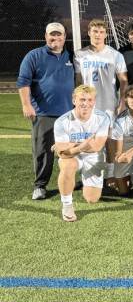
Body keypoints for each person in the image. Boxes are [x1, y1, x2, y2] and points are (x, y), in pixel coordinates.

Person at [17, 22, 75, 200]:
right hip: (44, 113)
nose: (55, 38)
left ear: (65, 37)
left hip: (69, 114)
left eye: (59, 35)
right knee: (43, 151)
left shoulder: (71, 55)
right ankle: (40, 186)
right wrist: (27, 105)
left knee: (72, 149)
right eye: (52, 35)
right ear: (45, 36)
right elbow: (23, 82)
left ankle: (73, 180)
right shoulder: (34, 56)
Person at [73, 19, 128, 182]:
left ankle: (110, 174)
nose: (98, 35)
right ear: (89, 33)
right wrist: (78, 101)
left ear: (106, 34)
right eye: (95, 31)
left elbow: (123, 80)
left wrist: (123, 101)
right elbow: (78, 80)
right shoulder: (79, 54)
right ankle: (88, 174)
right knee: (87, 138)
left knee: (110, 138)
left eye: (101, 32)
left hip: (108, 103)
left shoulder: (115, 54)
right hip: (87, 105)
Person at [53, 85, 111, 222]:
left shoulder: (102, 118)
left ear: (94, 101)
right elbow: (63, 154)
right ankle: (67, 205)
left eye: (90, 100)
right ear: (74, 100)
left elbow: (97, 146)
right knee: (68, 165)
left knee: (92, 199)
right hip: (73, 155)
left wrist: (72, 144)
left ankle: (82, 181)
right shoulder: (62, 121)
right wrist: (79, 148)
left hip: (93, 156)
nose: (86, 103)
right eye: (82, 99)